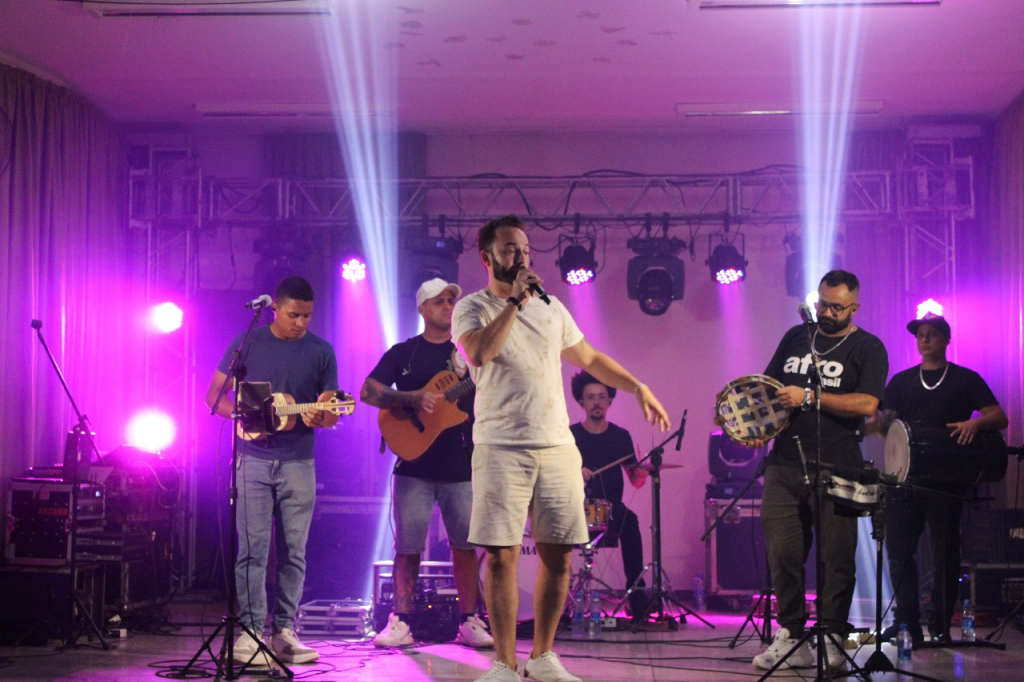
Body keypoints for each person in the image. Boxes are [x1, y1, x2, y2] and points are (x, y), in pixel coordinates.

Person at [452, 214, 671, 682]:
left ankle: (543, 656)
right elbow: (479, 353)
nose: (521, 256)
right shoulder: (473, 307)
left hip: (556, 446)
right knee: (502, 556)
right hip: (501, 447)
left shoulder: (551, 307)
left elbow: (588, 357)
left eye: (525, 248)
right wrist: (515, 302)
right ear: (487, 257)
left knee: (560, 555)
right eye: (510, 249)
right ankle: (504, 664)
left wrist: (637, 387)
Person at [752, 270, 888, 672]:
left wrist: (810, 396)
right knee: (782, 553)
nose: (827, 313)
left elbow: (867, 404)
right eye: (822, 304)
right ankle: (791, 634)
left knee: (836, 557)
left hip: (838, 463)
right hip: (784, 462)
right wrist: (751, 421)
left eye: (836, 307)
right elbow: (768, 387)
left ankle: (832, 636)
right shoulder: (797, 337)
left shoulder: (867, 347)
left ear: (854, 307)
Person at [205, 276, 340, 666]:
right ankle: (249, 632)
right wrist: (243, 418)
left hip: (299, 461)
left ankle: (284, 630)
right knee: (253, 550)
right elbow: (214, 397)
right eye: (294, 315)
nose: (301, 323)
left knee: (293, 551)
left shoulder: (321, 351)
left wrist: (321, 416)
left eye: (307, 316)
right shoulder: (247, 342)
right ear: (275, 308)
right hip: (252, 459)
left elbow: (331, 410)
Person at [362, 278, 493, 649]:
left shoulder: (467, 353)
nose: (448, 306)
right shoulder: (404, 353)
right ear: (422, 308)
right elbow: (368, 391)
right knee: (407, 547)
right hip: (413, 466)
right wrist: (412, 398)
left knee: (465, 545)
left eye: (451, 300)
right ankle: (400, 621)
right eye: (439, 301)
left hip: (460, 464)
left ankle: (469, 620)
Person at [879, 313, 1008, 645]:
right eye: (920, 334)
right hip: (905, 479)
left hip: (947, 479)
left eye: (932, 334)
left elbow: (999, 416)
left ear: (946, 339)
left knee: (945, 553)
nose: (925, 339)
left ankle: (939, 624)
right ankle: (906, 622)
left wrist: (975, 424)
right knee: (898, 552)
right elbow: (885, 425)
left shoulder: (965, 378)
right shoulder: (902, 381)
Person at [569, 371, 649, 619]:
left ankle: (636, 596)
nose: (596, 402)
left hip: (612, 508)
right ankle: (558, 598)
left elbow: (635, 481)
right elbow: (555, 474)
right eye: (590, 397)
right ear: (581, 402)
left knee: (631, 521)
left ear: (610, 401)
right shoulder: (570, 435)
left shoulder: (620, 436)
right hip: (576, 508)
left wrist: (643, 473)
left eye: (602, 397)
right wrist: (574, 471)